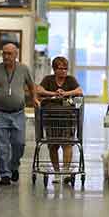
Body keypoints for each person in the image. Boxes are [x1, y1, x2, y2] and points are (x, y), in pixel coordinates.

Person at [0, 43, 39, 186]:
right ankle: (5, 175)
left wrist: (34, 98)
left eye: (9, 54)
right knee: (2, 147)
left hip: (18, 113)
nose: (6, 56)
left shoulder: (23, 69)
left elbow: (31, 85)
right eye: (4, 53)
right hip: (0, 114)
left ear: (16, 55)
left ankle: (14, 166)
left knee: (19, 144)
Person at [38, 56, 83, 184]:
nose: (63, 71)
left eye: (65, 68)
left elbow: (79, 90)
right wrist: (53, 94)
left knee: (67, 144)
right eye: (60, 68)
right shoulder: (48, 80)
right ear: (54, 69)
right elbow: (39, 89)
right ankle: (57, 172)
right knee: (53, 146)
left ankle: (65, 171)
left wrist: (65, 93)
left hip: (67, 118)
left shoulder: (70, 80)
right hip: (51, 118)